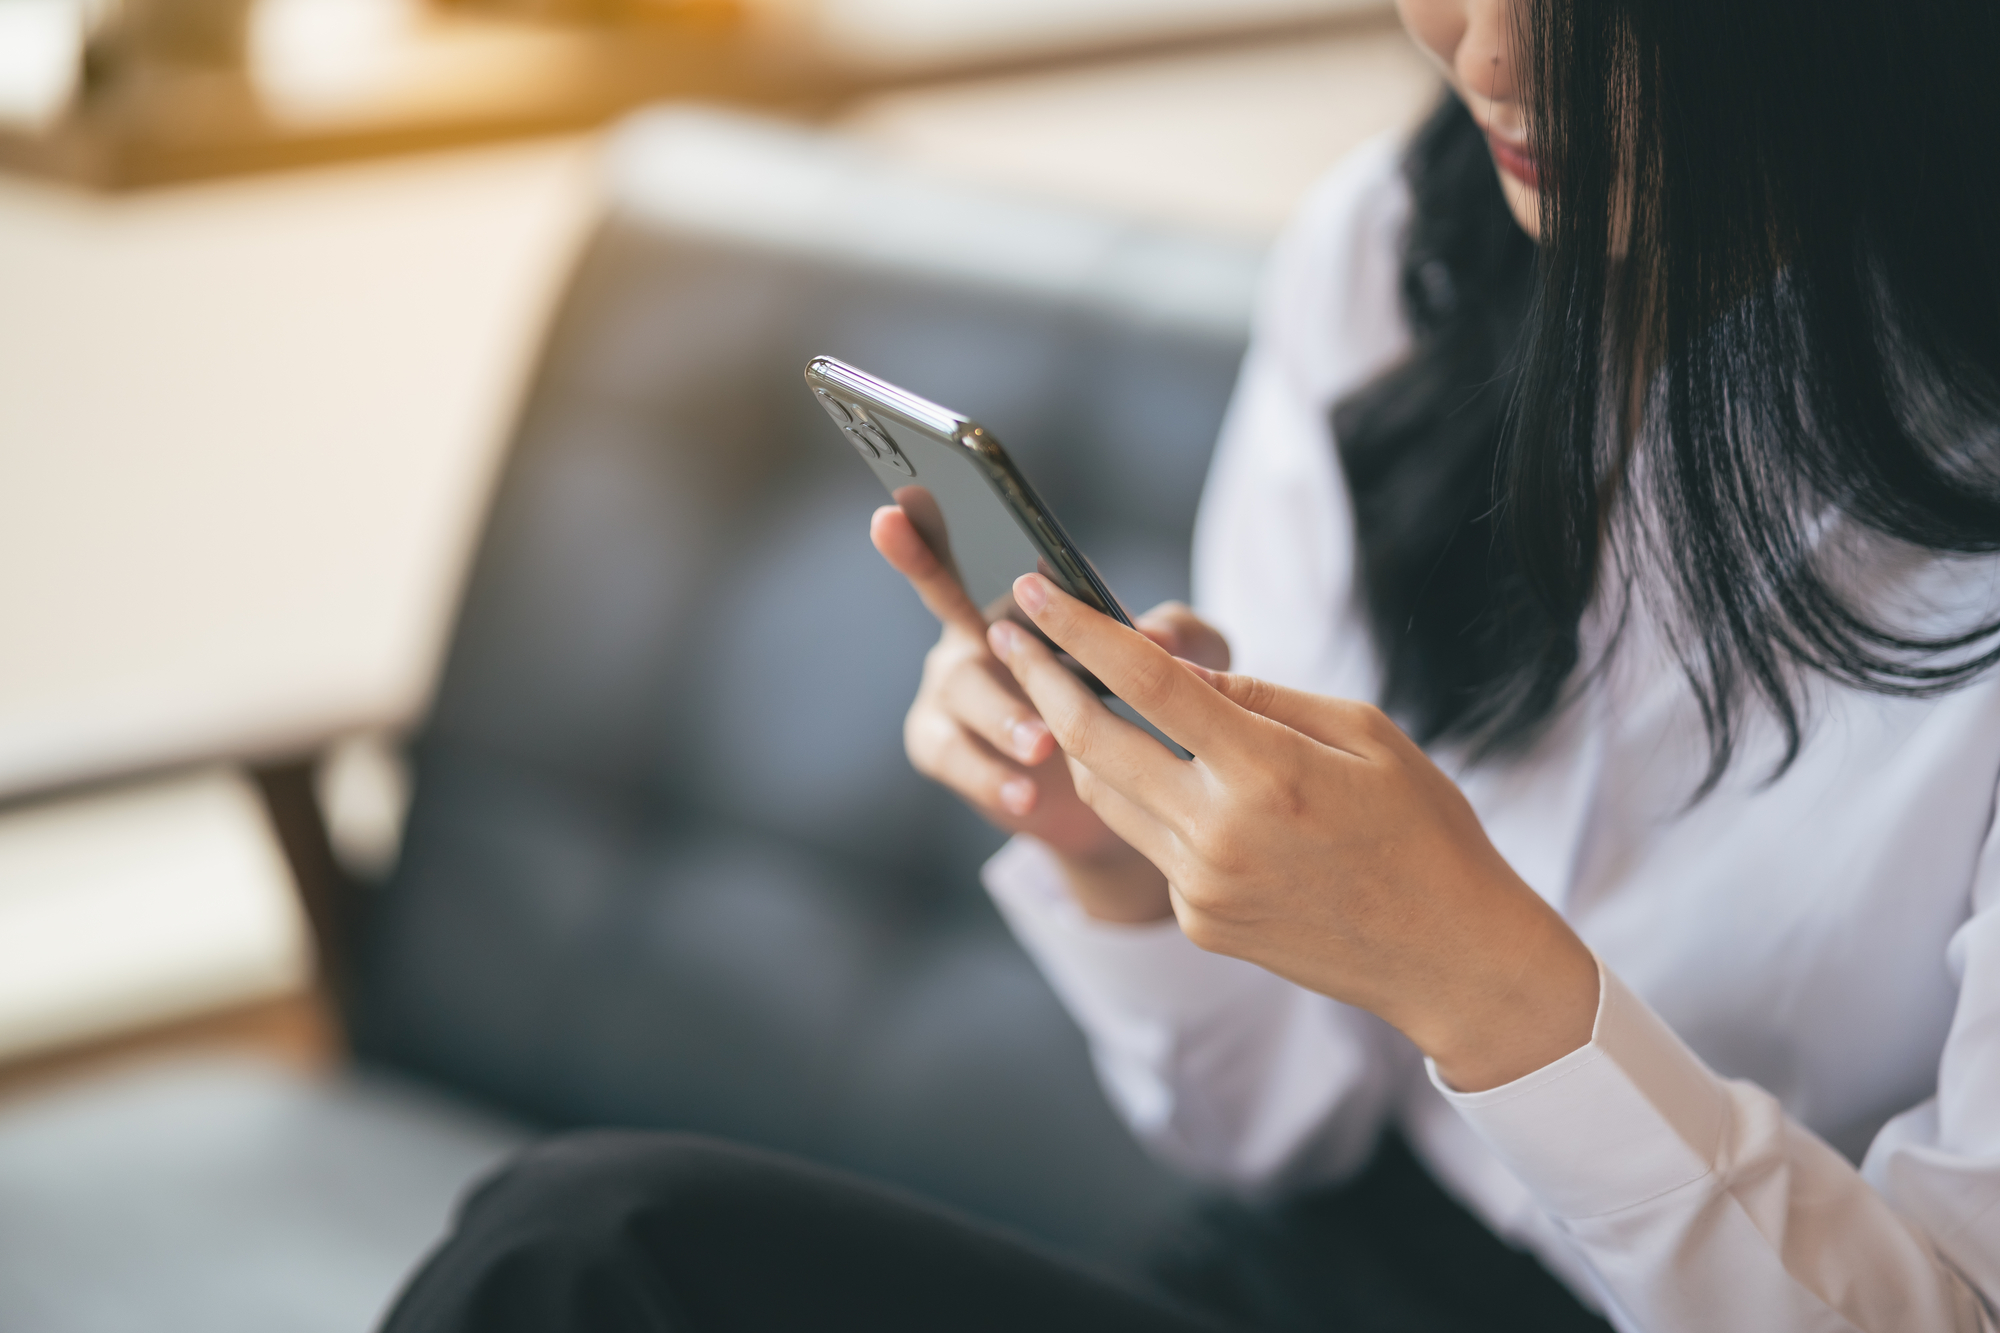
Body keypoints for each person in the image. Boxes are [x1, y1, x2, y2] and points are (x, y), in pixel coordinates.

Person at [380, 0, 2000, 1329]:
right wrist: (1128, 867)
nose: (1486, 56)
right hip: (1316, 1281)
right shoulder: (1392, 258)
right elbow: (1268, 1126)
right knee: (586, 1263)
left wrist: (1477, 970)